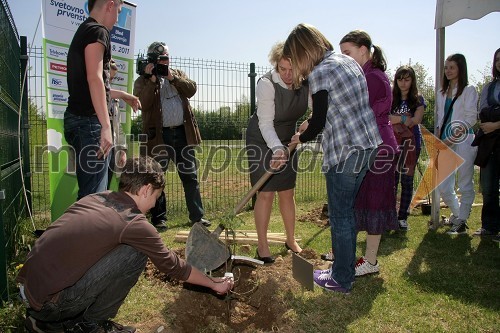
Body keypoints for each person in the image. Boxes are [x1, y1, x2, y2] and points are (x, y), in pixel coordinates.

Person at [17, 156, 234, 333]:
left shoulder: (97, 198)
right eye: (156, 198)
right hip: (50, 304)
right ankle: (90, 325)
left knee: (124, 246)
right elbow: (173, 265)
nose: (153, 205)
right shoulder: (132, 221)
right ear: (146, 190)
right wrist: (214, 283)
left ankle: (49, 323)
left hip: (29, 290)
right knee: (136, 251)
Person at [285, 23, 382, 293]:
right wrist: (308, 124)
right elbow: (333, 110)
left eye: (296, 58)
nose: (297, 66)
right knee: (347, 215)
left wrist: (301, 138)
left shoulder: (320, 72)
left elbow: (319, 123)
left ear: (305, 50)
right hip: (367, 146)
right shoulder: (346, 62)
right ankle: (344, 270)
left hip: (345, 153)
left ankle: (341, 278)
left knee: (340, 216)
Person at [64, 0, 141, 201]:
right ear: (110, 4)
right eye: (119, 11)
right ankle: (88, 232)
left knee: (91, 194)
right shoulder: (98, 31)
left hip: (79, 120)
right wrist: (106, 127)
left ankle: (87, 231)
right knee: (94, 199)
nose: (117, 19)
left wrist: (124, 95)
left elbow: (96, 85)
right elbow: (95, 78)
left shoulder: (85, 30)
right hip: (89, 123)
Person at [339, 30, 399, 277]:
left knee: (374, 204)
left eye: (347, 53)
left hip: (379, 149)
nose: (344, 59)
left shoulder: (373, 78)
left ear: (363, 50)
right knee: (359, 201)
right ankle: (348, 251)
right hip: (370, 147)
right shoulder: (365, 75)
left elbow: (357, 112)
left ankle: (371, 261)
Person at [134, 41, 210, 230]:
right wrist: (151, 81)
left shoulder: (177, 74)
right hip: (158, 137)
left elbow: (191, 89)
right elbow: (143, 103)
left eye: (165, 58)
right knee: (156, 177)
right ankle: (159, 219)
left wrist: (171, 77)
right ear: (150, 58)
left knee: (190, 175)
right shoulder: (142, 80)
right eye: (158, 58)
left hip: (183, 133)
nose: (163, 62)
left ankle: (197, 217)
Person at [246, 42, 309, 263]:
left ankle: (290, 239)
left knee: (287, 192)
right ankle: (262, 246)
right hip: (262, 140)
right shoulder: (266, 83)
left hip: (289, 139)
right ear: (276, 66)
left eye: (292, 69)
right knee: (265, 193)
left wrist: (310, 123)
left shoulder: (306, 82)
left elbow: (319, 108)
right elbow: (265, 123)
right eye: (283, 69)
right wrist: (276, 148)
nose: (288, 74)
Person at [435, 53, 478, 235]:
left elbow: (470, 118)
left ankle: (461, 221)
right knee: (444, 186)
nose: (448, 71)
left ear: (461, 68)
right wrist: (439, 139)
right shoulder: (441, 92)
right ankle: (458, 215)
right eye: (446, 67)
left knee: (465, 182)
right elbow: (439, 119)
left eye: (452, 67)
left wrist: (452, 138)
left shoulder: (469, 90)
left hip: (464, 141)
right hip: (445, 142)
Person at [390, 65, 426, 231]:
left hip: (411, 145)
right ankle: (390, 215)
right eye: (400, 79)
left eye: (407, 79)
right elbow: (387, 118)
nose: (403, 83)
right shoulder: (391, 98)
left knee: (407, 181)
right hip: (392, 143)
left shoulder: (418, 99)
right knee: (392, 181)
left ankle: (403, 217)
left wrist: (398, 119)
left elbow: (416, 120)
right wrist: (404, 118)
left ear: (412, 81)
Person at [472, 48, 500, 240]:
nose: (499, 62)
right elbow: (482, 112)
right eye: (497, 59)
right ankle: (489, 226)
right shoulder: (489, 87)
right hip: (489, 142)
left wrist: (497, 123)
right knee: (488, 187)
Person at [107, 58, 128, 188]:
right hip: (95, 148)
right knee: (92, 188)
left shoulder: (114, 101)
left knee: (106, 185)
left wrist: (122, 150)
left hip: (111, 149)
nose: (109, 81)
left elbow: (118, 127)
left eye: (112, 79)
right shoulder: (89, 95)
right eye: (108, 77)